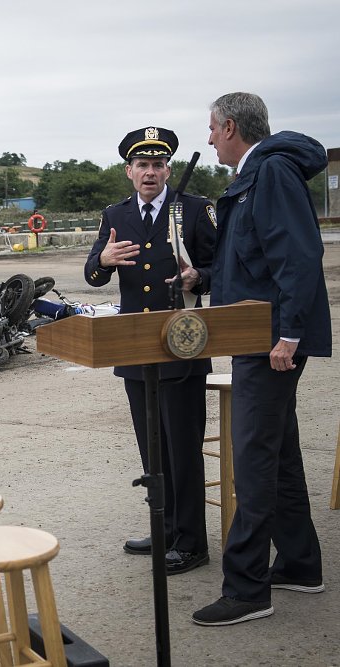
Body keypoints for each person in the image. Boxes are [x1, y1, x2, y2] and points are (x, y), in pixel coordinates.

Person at [191, 92, 331, 627]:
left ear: (229, 127)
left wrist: (290, 335)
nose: (207, 139)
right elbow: (252, 261)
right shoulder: (256, 176)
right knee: (279, 455)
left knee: (251, 462)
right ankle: (299, 563)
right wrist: (202, 278)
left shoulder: (269, 173)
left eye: (210, 129)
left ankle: (248, 589)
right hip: (258, 337)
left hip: (269, 343)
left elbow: (298, 255)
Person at [84, 126, 216, 575]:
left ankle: (191, 542)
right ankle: (165, 530)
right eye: (142, 165)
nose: (150, 172)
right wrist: (101, 262)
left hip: (181, 344)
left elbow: (223, 267)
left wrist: (199, 277)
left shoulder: (194, 210)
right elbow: (93, 273)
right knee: (152, 451)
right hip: (135, 348)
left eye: (158, 165)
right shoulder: (115, 213)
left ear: (168, 170)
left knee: (182, 448)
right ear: (129, 171)